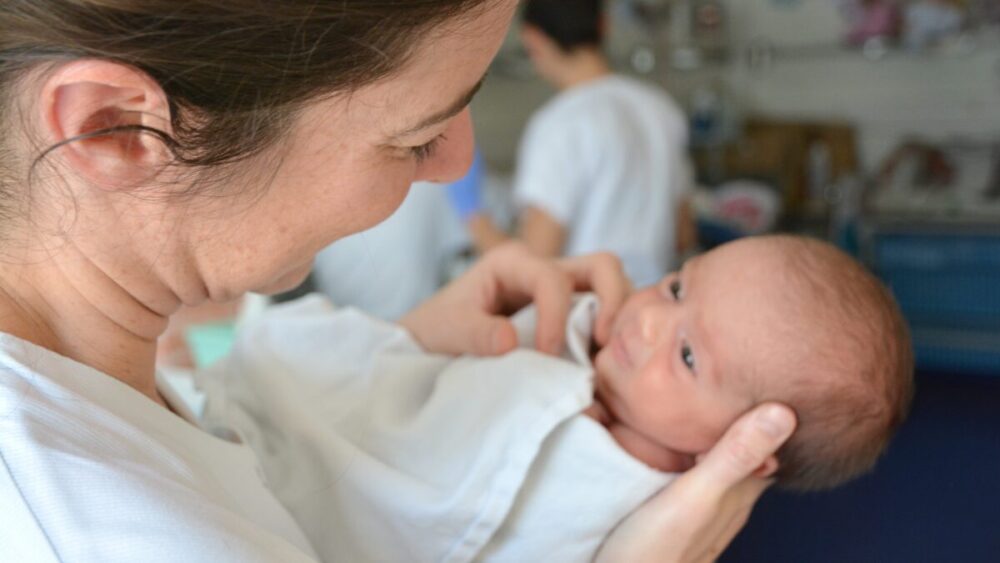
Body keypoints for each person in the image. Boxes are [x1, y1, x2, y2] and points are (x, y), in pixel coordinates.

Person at [0, 2, 794, 562]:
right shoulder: (116, 532)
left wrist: (401, 347)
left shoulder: (109, 367)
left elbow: (220, 423)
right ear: (118, 129)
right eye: (415, 135)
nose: (454, 163)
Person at [195, 235, 912, 562]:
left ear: (739, 447)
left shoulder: (644, 503)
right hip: (315, 437)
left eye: (690, 356)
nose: (652, 321)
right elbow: (420, 389)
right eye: (677, 286)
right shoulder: (585, 336)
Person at [454, 0, 697, 286]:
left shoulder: (559, 126)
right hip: (653, 302)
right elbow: (684, 236)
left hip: (594, 314)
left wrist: (471, 214)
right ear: (603, 25)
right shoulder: (660, 108)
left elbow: (533, 269)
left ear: (533, 39)